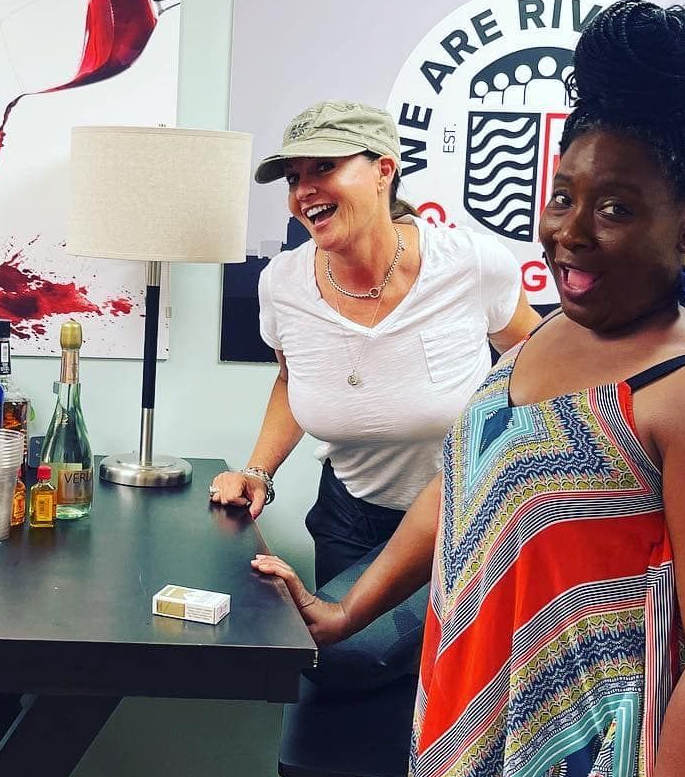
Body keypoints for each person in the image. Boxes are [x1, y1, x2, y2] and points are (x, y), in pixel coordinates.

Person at [256, 0, 685, 777]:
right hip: (479, 736)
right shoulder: (553, 334)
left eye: (617, 208)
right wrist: (349, 613)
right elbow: (465, 479)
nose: (569, 233)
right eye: (563, 196)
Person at [212, 100, 540, 587]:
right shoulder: (282, 282)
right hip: (350, 518)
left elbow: (539, 365)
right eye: (293, 177)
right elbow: (290, 378)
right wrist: (258, 471)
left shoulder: (470, 263)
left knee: (436, 662)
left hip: (465, 519)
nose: (305, 191)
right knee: (343, 659)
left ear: (384, 169)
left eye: (325, 166)